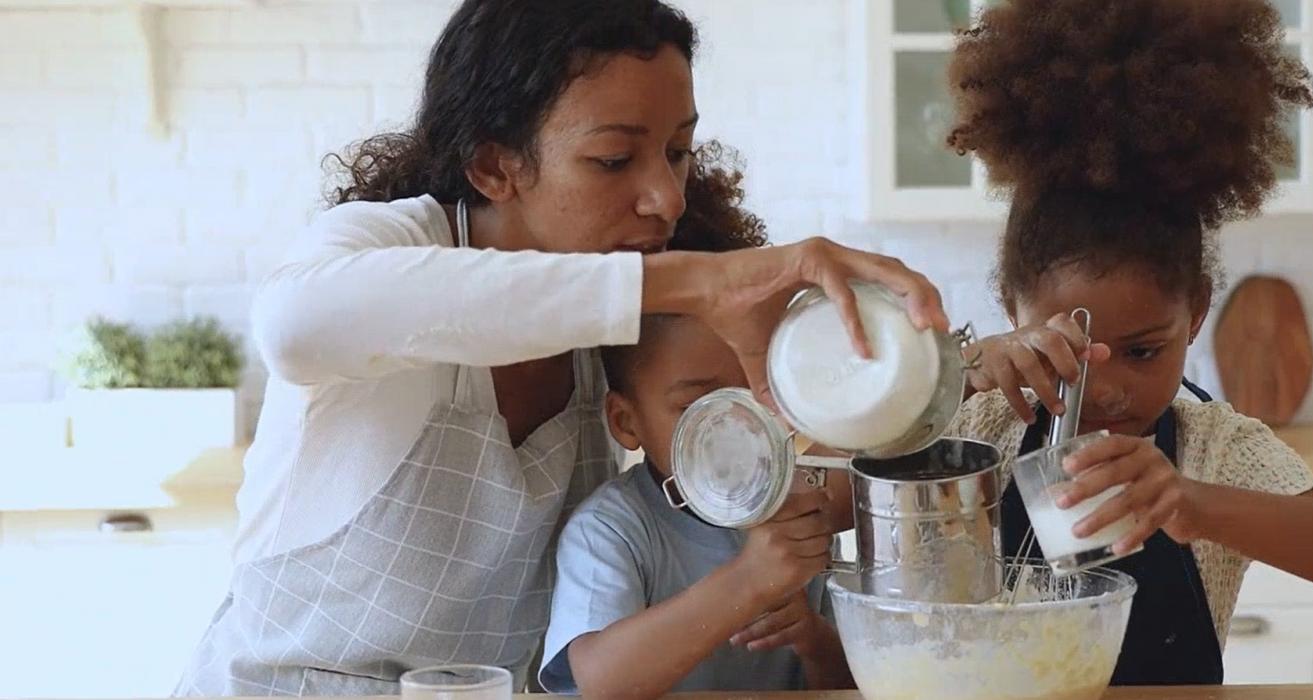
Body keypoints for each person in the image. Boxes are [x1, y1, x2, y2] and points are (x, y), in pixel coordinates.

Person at [175, 1, 945, 695]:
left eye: (678, 151)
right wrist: (694, 281)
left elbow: (792, 469)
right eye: (613, 160)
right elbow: (293, 326)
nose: (666, 197)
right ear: (494, 166)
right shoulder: (387, 244)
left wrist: (946, 376)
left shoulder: (618, 327)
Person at [947, 0, 1313, 686]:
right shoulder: (981, 422)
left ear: (1194, 314)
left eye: (1142, 352)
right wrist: (953, 377)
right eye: (1070, 352)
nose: (1106, 390)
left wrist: (1192, 503)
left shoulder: (1215, 449)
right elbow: (834, 498)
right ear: (1012, 314)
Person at [537, 146, 852, 698]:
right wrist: (749, 581)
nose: (737, 430)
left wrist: (812, 638)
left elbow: (850, 682)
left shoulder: (795, 511)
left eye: (755, 397)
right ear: (626, 422)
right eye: (698, 405)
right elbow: (599, 682)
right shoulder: (615, 528)